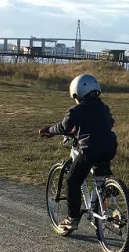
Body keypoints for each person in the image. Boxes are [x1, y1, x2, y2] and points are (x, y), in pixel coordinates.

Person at [39, 73, 118, 232]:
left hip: (90, 150)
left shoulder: (77, 109)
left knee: (72, 180)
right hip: (109, 147)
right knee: (100, 176)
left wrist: (49, 130)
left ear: (77, 93)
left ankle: (72, 218)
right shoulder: (103, 107)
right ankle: (109, 196)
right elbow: (109, 122)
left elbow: (64, 127)